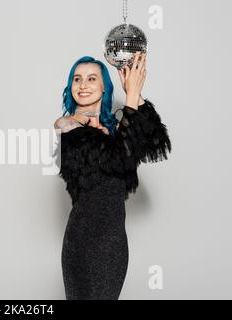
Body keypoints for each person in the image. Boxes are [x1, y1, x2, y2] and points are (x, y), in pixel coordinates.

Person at [54, 52, 171, 299]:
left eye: (91, 78)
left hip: (113, 243)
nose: (83, 85)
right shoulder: (67, 126)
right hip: (82, 240)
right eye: (77, 79)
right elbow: (118, 158)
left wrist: (135, 92)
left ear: (105, 87)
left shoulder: (116, 130)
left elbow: (157, 142)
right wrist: (129, 98)